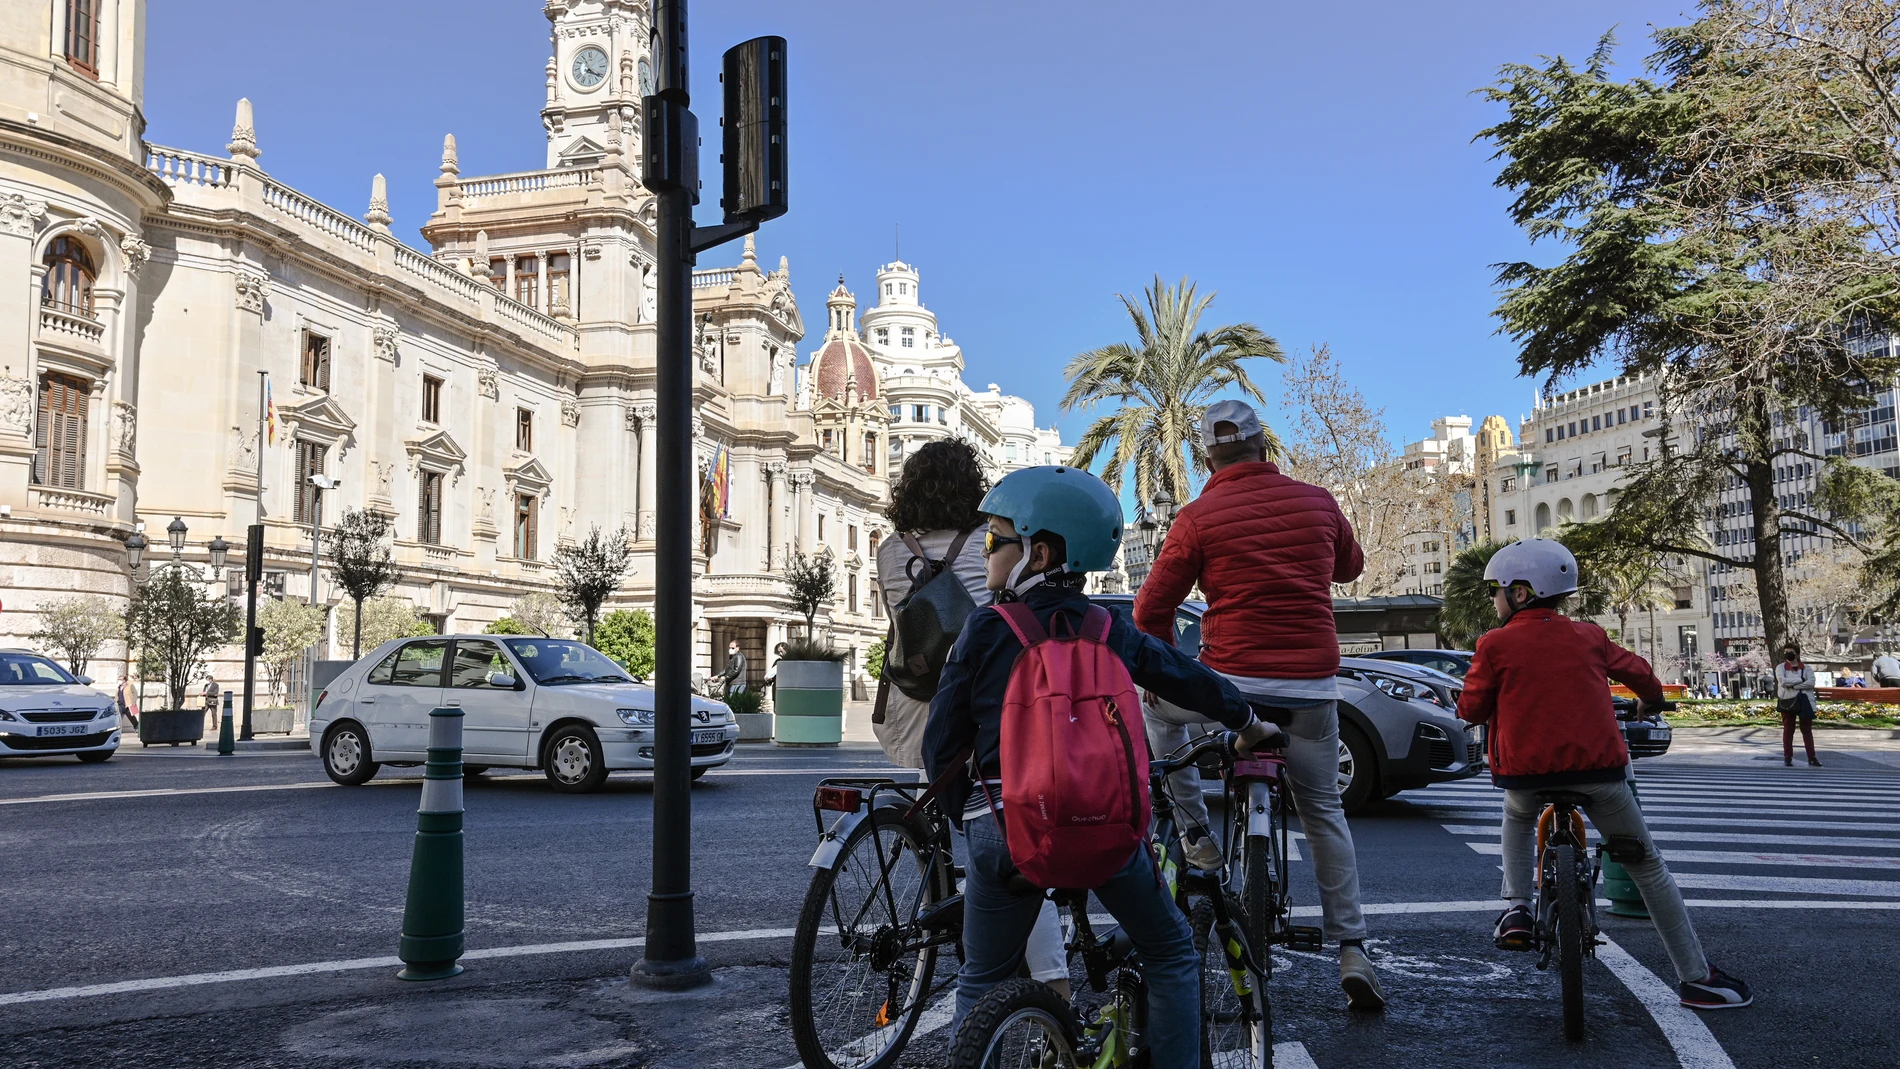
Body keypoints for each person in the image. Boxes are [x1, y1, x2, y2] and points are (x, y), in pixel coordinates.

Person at [924, 465, 1277, 1066]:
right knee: (1169, 951)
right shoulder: (1109, 628)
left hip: (1008, 828)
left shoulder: (986, 628)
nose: (985, 554)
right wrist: (1245, 722)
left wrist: (973, 820)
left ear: (1037, 553)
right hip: (1103, 829)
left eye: (993, 541)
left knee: (982, 977)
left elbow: (941, 744)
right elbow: (1187, 678)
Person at [1133, 399, 1386, 1012]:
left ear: (1208, 456)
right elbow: (1350, 567)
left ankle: (1197, 835)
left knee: (1156, 711)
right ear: (1262, 445)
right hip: (1309, 690)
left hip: (1229, 692)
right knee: (1324, 809)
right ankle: (1351, 947)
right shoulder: (1319, 501)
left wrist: (1165, 669)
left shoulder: (1196, 517)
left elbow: (1148, 612)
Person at [1460, 538, 1753, 1010]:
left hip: (1526, 775)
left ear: (1521, 593)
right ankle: (1696, 978)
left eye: (1497, 589)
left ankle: (1515, 908)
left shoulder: (1494, 644)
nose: (1494, 599)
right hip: (1601, 772)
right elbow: (1640, 674)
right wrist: (1650, 701)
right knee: (1647, 866)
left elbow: (1470, 707)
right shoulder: (1590, 636)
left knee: (1516, 816)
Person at [876, 441, 1072, 999]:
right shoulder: (987, 548)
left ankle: (941, 906)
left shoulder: (890, 550)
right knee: (1015, 846)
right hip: (990, 708)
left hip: (919, 710)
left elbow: (898, 622)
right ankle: (1052, 983)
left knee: (931, 800)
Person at [1775, 645, 1820, 768]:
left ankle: (1812, 757)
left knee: (1807, 731)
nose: (1788, 654)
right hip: (1788, 701)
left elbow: (1811, 683)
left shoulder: (1806, 668)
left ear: (1797, 654)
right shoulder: (1781, 667)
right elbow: (1783, 682)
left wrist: (1794, 686)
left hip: (1804, 701)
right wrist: (1801, 680)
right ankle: (1788, 757)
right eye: (1786, 652)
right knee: (1788, 731)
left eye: (1791, 652)